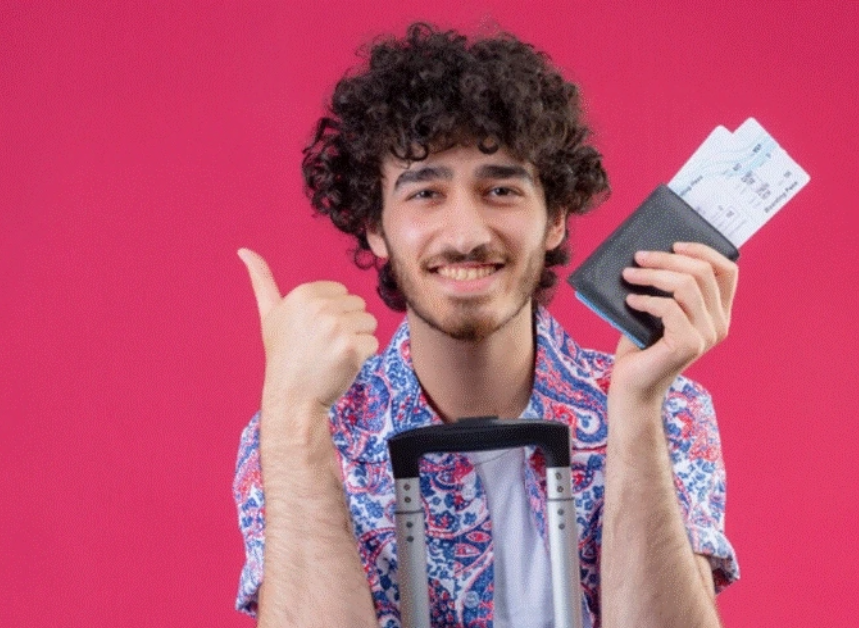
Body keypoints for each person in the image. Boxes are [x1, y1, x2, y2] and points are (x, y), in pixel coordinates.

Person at [233, 23, 739, 628]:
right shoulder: (309, 433)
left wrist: (635, 408)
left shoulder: (669, 410)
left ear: (555, 220)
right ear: (375, 227)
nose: (468, 233)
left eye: (500, 189)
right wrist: (291, 419)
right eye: (425, 194)